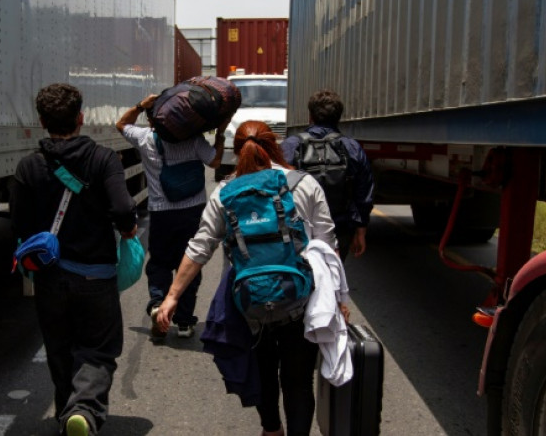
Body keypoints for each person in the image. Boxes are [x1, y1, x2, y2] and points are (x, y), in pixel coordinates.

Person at [156, 120, 348, 436]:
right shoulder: (304, 184)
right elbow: (328, 247)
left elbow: (201, 245)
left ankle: (271, 430)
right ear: (275, 145)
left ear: (237, 152)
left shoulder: (225, 191)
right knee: (298, 381)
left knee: (264, 371)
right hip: (301, 301)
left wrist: (173, 295)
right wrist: (340, 299)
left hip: (250, 305)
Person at [10, 83, 138, 436]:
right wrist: (127, 230)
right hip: (95, 276)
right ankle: (83, 410)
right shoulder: (103, 159)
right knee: (98, 349)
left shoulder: (28, 167)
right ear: (81, 118)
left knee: (59, 347)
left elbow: (19, 224)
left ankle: (68, 411)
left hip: (51, 277)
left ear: (42, 121)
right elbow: (123, 208)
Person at [116, 94, 229, 341]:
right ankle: (185, 321)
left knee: (159, 263)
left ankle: (158, 303)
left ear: (151, 119)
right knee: (188, 263)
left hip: (161, 213)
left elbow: (121, 125)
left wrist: (139, 104)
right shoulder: (194, 140)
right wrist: (220, 135)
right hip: (192, 212)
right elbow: (216, 161)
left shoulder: (146, 138)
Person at [280, 89, 374, 259]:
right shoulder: (351, 148)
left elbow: (275, 185)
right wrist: (361, 229)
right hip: (340, 227)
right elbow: (364, 191)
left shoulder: (290, 146)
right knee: (331, 274)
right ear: (339, 117)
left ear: (310, 116)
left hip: (297, 228)